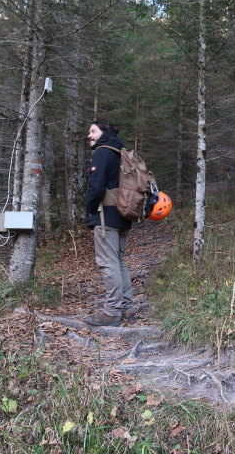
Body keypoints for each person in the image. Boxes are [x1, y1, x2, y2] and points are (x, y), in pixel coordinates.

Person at [84, 120, 137, 327]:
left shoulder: (102, 152)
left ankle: (112, 311)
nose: (89, 135)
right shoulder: (120, 151)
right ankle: (126, 307)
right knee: (119, 261)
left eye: (93, 131)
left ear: (103, 132)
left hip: (106, 215)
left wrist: (89, 211)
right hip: (125, 214)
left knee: (108, 263)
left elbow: (95, 187)